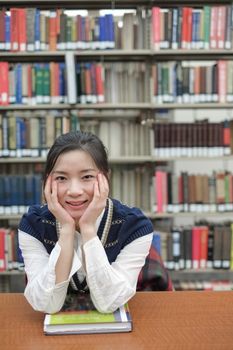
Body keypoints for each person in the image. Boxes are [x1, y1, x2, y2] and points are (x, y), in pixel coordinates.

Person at [18, 131, 171, 315]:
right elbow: (48, 305)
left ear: (106, 178)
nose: (74, 191)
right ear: (47, 182)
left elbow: (108, 303)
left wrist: (88, 229)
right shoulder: (33, 225)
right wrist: (67, 229)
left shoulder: (135, 227)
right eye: (61, 178)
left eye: (87, 177)